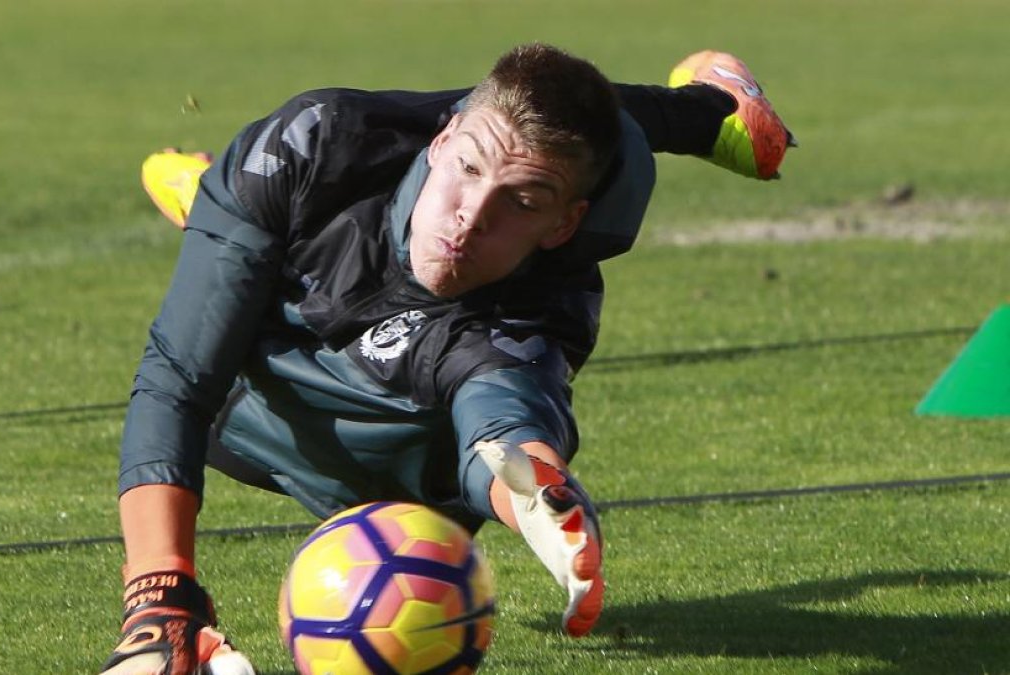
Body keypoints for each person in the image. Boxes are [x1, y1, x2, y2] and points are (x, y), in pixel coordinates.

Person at [101, 45, 794, 675]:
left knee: (593, 132)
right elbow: (178, 378)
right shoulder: (314, 145)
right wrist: (158, 598)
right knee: (510, 114)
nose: (471, 218)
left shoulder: (538, 304)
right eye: (464, 169)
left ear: (562, 223)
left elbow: (501, 415)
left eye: (520, 203)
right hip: (266, 364)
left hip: (399, 451)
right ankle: (720, 112)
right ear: (439, 144)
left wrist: (533, 489)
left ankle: (236, 230)